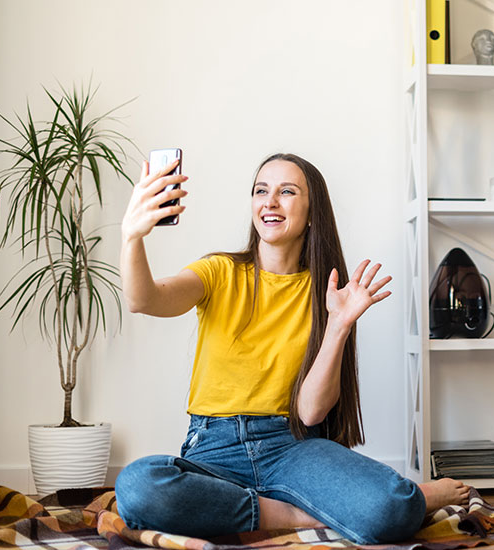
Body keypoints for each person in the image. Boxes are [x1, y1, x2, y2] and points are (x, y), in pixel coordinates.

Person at [114, 153, 469, 544]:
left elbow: (312, 411)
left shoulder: (328, 294)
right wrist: (133, 236)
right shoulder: (218, 271)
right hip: (213, 447)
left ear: (312, 211)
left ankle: (400, 497)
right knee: (137, 487)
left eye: (287, 192)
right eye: (261, 191)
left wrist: (339, 326)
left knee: (391, 509)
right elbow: (144, 299)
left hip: (291, 446)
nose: (270, 202)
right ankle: (291, 513)